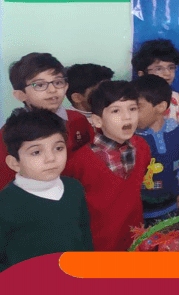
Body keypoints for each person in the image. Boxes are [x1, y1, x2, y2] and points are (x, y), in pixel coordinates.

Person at [0, 109, 92, 272]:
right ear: (14, 163)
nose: (51, 158)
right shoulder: (4, 204)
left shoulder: (74, 188)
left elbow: (85, 239)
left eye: (58, 148)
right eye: (36, 152)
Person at [65, 81, 151, 251]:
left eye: (132, 109)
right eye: (116, 111)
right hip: (96, 247)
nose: (127, 117)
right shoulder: (79, 161)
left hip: (135, 241)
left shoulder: (142, 147)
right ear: (97, 120)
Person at [0, 53, 93, 191]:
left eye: (58, 82)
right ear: (20, 95)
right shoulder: (10, 132)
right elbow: (4, 184)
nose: (53, 90)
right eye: (40, 85)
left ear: (66, 86)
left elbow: (91, 163)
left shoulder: (78, 119)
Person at [132, 74, 179, 223]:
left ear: (160, 107)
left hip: (171, 207)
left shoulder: (177, 130)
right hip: (138, 213)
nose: (130, 115)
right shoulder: (130, 137)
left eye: (136, 108)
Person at [132, 39, 179, 125]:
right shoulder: (132, 99)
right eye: (159, 69)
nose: (167, 73)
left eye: (171, 68)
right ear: (142, 74)